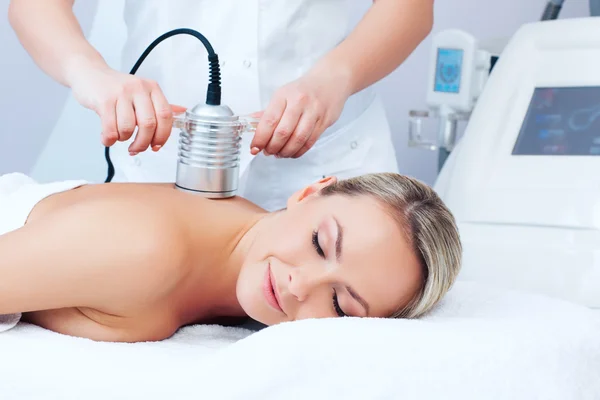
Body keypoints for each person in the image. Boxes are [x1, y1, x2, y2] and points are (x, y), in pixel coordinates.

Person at [8, 0, 435, 211]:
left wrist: (334, 78)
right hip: (162, 162)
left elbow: (411, 8)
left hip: (325, 161)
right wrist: (90, 75)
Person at [0, 171, 462, 343]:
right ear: (310, 191)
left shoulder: (238, 278)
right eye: (320, 244)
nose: (300, 286)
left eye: (340, 304)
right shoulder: (144, 248)